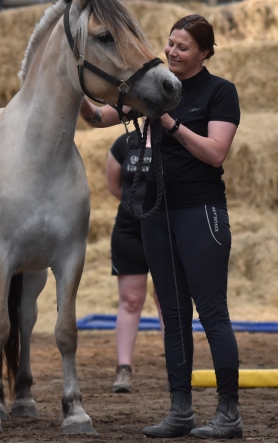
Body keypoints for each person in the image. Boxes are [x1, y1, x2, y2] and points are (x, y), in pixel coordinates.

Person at [80, 14, 242, 440]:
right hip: (156, 215)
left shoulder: (220, 92)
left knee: (212, 313)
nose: (172, 52)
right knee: (172, 316)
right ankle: (181, 411)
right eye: (170, 43)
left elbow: (215, 153)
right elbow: (98, 118)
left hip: (200, 212)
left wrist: (169, 121)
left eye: (183, 47)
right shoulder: (149, 89)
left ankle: (228, 413)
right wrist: (72, 85)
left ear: (204, 53)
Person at [106, 121, 164, 394]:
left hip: (166, 227)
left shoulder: (178, 140)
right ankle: (124, 370)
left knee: (167, 300)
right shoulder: (124, 143)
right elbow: (114, 186)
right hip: (129, 230)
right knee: (131, 300)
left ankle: (177, 367)